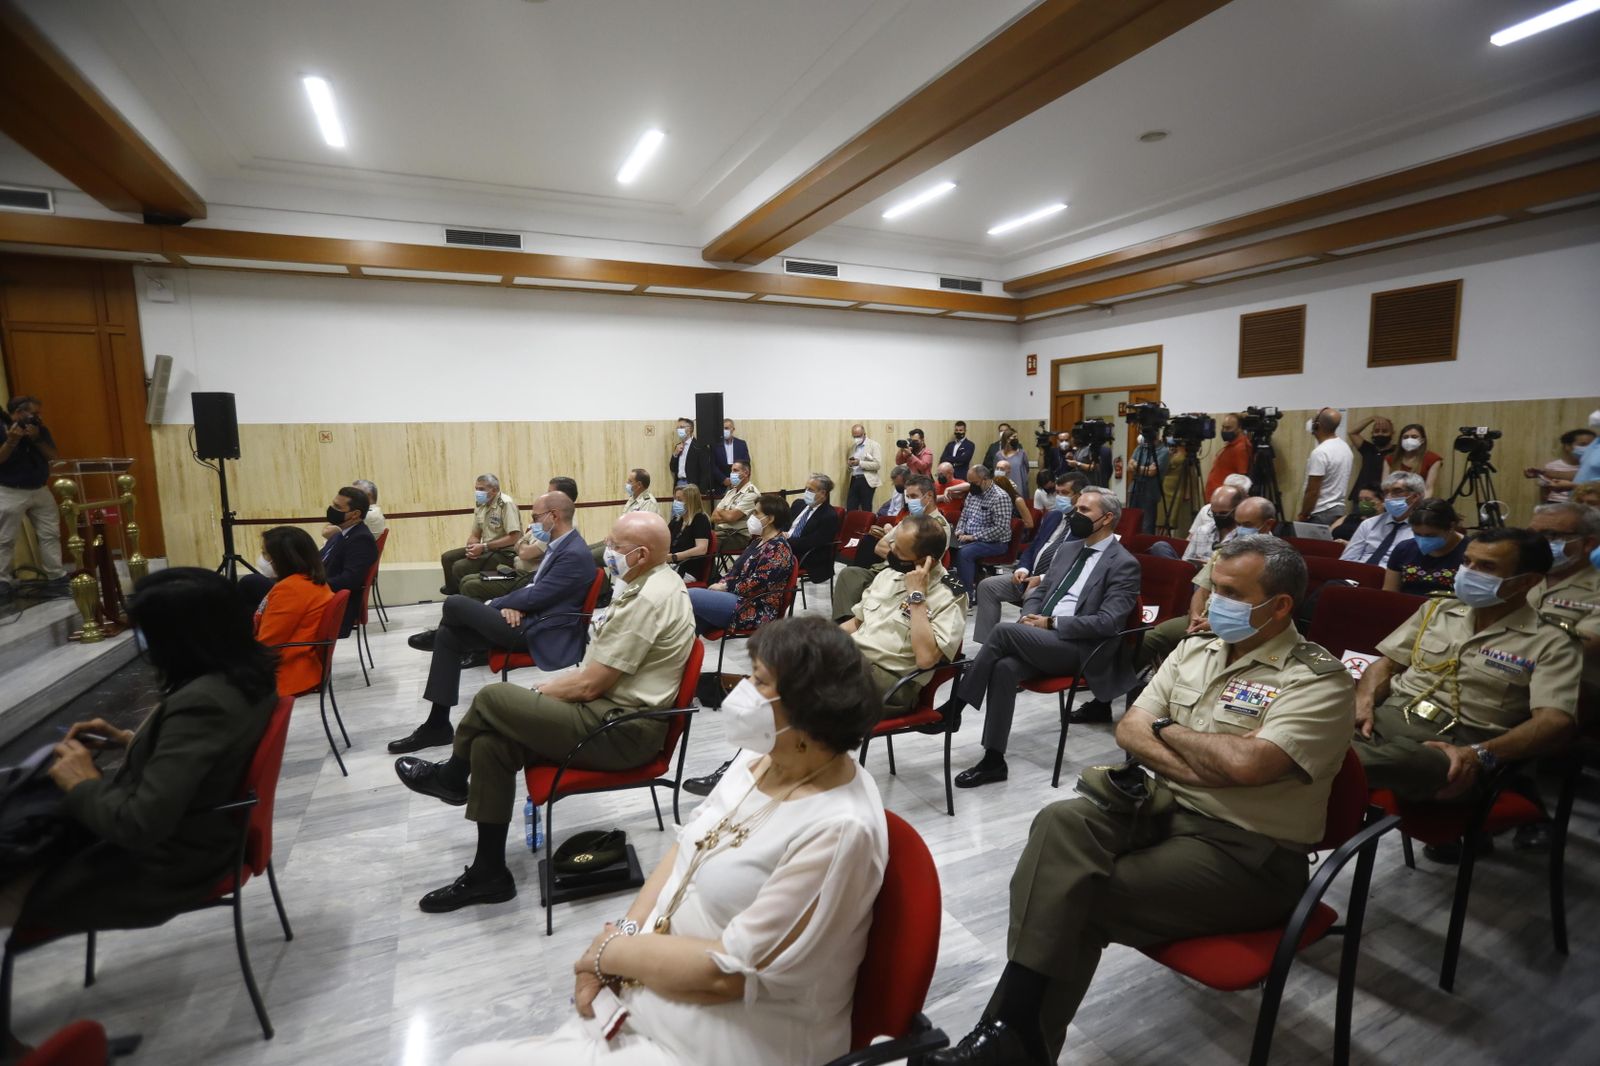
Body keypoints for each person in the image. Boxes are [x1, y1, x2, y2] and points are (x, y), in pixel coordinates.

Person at [929, 537, 1353, 1066]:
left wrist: (1166, 729)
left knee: (1077, 897)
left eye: (1229, 593)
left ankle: (1006, 1042)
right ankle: (1010, 1037)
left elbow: (1248, 766)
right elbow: (1130, 728)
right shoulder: (1196, 649)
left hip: (1249, 852)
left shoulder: (1317, 680)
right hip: (1165, 810)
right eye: (1212, 587)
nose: (1210, 602)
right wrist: (1196, 754)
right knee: (1061, 821)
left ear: (1280, 605)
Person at [446, 616, 885, 1066]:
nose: (741, 691)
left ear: (809, 710)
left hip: (730, 1037)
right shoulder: (764, 757)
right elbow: (687, 847)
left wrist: (611, 954)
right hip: (650, 994)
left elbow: (729, 976)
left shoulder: (838, 829)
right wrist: (625, 933)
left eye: (758, 681)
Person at [394, 512, 695, 913]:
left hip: (621, 730)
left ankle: (451, 776)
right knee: (491, 743)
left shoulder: (649, 599)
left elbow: (589, 686)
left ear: (641, 554)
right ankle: (489, 874)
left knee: (492, 699)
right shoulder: (646, 581)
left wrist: (542, 691)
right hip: (604, 711)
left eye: (615, 546)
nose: (606, 551)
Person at [2, 569, 277, 937]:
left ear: (178, 639)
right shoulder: (246, 676)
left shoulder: (203, 703)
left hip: (161, 868)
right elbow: (210, 760)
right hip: (200, 841)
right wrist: (134, 741)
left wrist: (82, 781)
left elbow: (138, 826)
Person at [1354, 530, 1581, 863]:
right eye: (1467, 562)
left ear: (1527, 581)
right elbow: (1385, 664)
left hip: (1455, 749)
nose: (1468, 573)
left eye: (1486, 567)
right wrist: (1363, 701)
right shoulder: (1438, 610)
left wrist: (1481, 754)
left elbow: (1555, 722)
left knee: (1398, 759)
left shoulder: (1552, 642)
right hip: (1385, 719)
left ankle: (1317, 762)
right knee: (1309, 720)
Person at [941, 489, 1142, 787]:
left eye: (1084, 510)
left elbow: (1108, 622)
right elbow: (1041, 591)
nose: (1074, 515)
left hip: (1082, 649)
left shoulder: (1123, 563)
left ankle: (955, 707)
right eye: (1075, 508)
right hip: (1046, 640)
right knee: (1004, 667)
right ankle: (993, 760)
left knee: (1002, 631)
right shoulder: (1069, 549)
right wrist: (1029, 617)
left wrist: (1051, 623)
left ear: (1107, 518)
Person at [388, 492, 596, 754]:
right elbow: (535, 589)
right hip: (530, 618)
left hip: (540, 631)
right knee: (449, 637)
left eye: (535, 517)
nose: (532, 523)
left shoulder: (573, 553)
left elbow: (537, 595)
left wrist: (494, 604)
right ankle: (437, 725)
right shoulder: (561, 545)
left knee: (454, 604)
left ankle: (437, 634)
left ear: (553, 516)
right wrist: (512, 605)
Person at [842, 512, 966, 712]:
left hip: (890, 681)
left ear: (925, 561)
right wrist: (821, 637)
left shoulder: (951, 594)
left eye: (899, 551)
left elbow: (925, 659)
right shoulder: (890, 574)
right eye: (893, 544)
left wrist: (917, 596)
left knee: (809, 694)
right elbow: (856, 623)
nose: (890, 551)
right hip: (853, 661)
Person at [1138, 497, 1279, 670]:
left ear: (1268, 524)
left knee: (1197, 655)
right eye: (1238, 524)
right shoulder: (1226, 551)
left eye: (1247, 524)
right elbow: (1202, 590)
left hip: (1240, 624)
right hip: (1204, 617)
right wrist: (1195, 617)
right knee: (1148, 639)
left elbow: (1264, 611)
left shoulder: (1277, 560)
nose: (1240, 530)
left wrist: (1215, 623)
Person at [972, 474, 1087, 643]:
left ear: (1080, 495)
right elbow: (1033, 547)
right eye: (1057, 492)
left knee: (1032, 594)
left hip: (1053, 583)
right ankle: (989, 644)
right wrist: (1023, 568)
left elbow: (1077, 565)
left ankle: (1021, 644)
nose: (1059, 497)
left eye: (1065, 493)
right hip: (1028, 575)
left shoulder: (1085, 525)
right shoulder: (1053, 516)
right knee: (987, 586)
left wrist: (1041, 578)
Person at [832, 474, 950, 620]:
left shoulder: (938, 526)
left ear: (929, 496)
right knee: (849, 574)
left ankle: (861, 623)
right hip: (886, 569)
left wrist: (895, 549)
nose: (910, 501)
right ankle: (846, 623)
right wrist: (901, 554)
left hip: (910, 577)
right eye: (908, 497)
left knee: (880, 588)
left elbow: (925, 561)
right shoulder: (909, 520)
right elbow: (880, 546)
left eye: (914, 496)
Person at [455, 477, 580, 602]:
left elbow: (523, 550)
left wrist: (522, 543)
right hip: (518, 570)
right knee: (466, 579)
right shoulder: (547, 520)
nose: (545, 496)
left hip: (530, 576)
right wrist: (523, 543)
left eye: (549, 493)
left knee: (469, 585)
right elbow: (520, 543)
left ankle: (485, 611)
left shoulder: (561, 527)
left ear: (562, 498)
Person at [688, 494, 795, 635]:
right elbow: (735, 569)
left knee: (690, 595)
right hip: (739, 597)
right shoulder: (758, 541)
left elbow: (758, 583)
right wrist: (722, 583)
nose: (752, 516)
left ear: (770, 519)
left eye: (756, 513)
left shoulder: (779, 548)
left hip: (755, 608)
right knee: (691, 619)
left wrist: (726, 587)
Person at [1526, 502, 1600, 700]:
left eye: (1551, 535)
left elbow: (1578, 647)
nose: (1536, 543)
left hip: (1568, 693)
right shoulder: (1518, 578)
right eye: (1532, 535)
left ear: (1588, 543)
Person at [252, 526, 335, 698]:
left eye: (266, 554)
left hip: (284, 672)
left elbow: (268, 642)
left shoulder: (290, 589)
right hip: (300, 666)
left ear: (282, 558)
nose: (263, 559)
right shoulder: (310, 581)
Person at [0, 395, 68, 600]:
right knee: (4, 539)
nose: (40, 416)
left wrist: (37, 439)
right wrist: (11, 441)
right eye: (35, 413)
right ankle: (2, 581)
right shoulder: (2, 429)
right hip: (10, 490)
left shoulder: (39, 429)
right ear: (19, 413)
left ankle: (56, 576)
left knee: (50, 534)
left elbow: (53, 457)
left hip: (40, 489)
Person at [440, 474, 521, 596]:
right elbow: (475, 535)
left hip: (505, 553)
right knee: (447, 557)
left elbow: (514, 537)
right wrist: (471, 547)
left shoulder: (506, 504)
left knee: (459, 567)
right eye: (476, 489)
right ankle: (454, 591)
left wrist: (483, 547)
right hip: (487, 549)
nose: (478, 492)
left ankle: (466, 599)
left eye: (481, 489)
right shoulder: (481, 504)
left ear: (494, 490)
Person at [948, 465, 1014, 604]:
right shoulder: (973, 493)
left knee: (964, 554)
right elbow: (964, 516)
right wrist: (959, 530)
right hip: (969, 537)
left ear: (985, 480)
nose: (971, 486)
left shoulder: (1000, 497)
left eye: (974, 482)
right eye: (969, 482)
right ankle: (955, 591)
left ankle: (966, 596)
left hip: (994, 542)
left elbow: (1001, 528)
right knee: (949, 549)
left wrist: (974, 536)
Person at [1383, 498, 1467, 596]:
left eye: (1431, 535)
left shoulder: (1470, 553)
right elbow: (1389, 593)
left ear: (1451, 527)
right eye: (1417, 534)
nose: (1423, 540)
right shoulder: (1404, 549)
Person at [1338, 471, 1422, 566]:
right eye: (1386, 492)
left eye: (1397, 491)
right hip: (1358, 571)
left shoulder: (1422, 531)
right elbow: (1347, 559)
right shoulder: (1369, 524)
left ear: (1414, 497)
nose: (1389, 497)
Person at [590, 468, 659, 565]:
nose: (627, 484)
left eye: (630, 481)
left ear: (639, 484)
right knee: (586, 550)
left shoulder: (648, 503)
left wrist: (616, 540)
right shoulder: (633, 498)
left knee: (590, 557)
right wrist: (612, 535)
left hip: (630, 548)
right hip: (619, 541)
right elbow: (623, 523)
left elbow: (641, 533)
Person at [1296, 408, 1351, 526]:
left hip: (1320, 513)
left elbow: (1313, 491)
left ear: (1317, 425)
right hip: (1337, 510)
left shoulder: (1320, 452)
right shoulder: (1344, 447)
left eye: (1314, 419)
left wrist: (1303, 514)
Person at [785, 474, 840, 584]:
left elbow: (812, 542)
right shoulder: (798, 504)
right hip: (785, 546)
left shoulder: (829, 515)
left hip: (806, 555)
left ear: (823, 493)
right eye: (806, 488)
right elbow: (784, 524)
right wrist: (780, 534)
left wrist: (786, 540)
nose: (806, 492)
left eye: (810, 490)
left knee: (772, 561)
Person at [1177, 482, 1248, 565]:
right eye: (1213, 513)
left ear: (1239, 509)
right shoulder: (1202, 531)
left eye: (1223, 513)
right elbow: (1185, 564)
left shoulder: (1246, 537)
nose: (1217, 517)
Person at [1525, 428, 1597, 504]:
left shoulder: (1593, 466)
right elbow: (1544, 492)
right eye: (1583, 444)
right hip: (1556, 504)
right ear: (1567, 446)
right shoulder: (1552, 466)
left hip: (1583, 504)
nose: (1589, 449)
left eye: (1593, 446)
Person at [709, 460, 760, 554]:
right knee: (698, 539)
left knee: (706, 544)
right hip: (722, 532)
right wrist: (729, 515)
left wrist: (722, 512)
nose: (732, 474)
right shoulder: (731, 492)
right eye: (731, 471)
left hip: (739, 536)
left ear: (746, 473)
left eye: (735, 470)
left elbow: (731, 517)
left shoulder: (751, 493)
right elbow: (713, 517)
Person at [667, 484, 713, 583]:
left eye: (679, 500)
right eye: (675, 499)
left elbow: (702, 549)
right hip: (671, 565)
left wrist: (674, 557)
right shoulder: (677, 520)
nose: (676, 503)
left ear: (691, 502)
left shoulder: (701, 519)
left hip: (688, 569)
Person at [1126, 432, 1169, 535]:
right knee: (1131, 521)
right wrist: (1144, 468)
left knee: (1146, 525)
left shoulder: (1163, 451)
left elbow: (1151, 472)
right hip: (1134, 489)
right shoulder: (1140, 447)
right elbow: (1129, 467)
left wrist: (1136, 465)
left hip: (1150, 492)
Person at [321, 477, 386, 543]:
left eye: (356, 492)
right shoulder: (374, 511)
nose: (351, 495)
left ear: (368, 495)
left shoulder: (370, 514)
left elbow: (327, 530)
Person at [1385, 423, 1443, 496]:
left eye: (1414, 437)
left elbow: (1428, 488)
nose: (1409, 440)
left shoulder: (1432, 459)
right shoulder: (1390, 458)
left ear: (1422, 440)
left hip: (1419, 499)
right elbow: (1385, 487)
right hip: (1394, 498)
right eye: (1405, 437)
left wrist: (1422, 503)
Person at [1346, 414, 1395, 500]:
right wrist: (1372, 418)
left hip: (1384, 497)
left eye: (1384, 431)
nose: (1380, 434)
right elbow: (1352, 432)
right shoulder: (1367, 448)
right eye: (1377, 431)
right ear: (1372, 433)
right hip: (1361, 496)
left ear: (1392, 433)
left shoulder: (1397, 451)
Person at [1205, 413, 1251, 496]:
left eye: (1228, 428)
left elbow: (1242, 479)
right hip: (1216, 495)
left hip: (1224, 497)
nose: (1224, 430)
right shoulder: (1232, 444)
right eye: (1223, 427)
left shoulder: (1240, 448)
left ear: (1239, 428)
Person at [670, 416, 718, 494]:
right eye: (678, 428)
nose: (679, 430)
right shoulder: (678, 446)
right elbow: (673, 468)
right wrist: (675, 454)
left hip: (692, 486)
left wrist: (701, 490)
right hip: (679, 484)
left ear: (690, 429)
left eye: (681, 427)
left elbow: (705, 471)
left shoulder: (700, 447)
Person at [844, 423, 883, 512]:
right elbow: (850, 467)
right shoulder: (853, 447)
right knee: (851, 507)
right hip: (854, 479)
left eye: (858, 436)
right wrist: (850, 464)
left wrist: (860, 463)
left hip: (867, 480)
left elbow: (877, 465)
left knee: (866, 507)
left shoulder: (874, 445)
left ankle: (867, 521)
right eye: (854, 436)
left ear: (864, 434)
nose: (856, 439)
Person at [712, 418, 753, 489]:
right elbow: (712, 465)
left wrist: (738, 478)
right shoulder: (715, 445)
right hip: (720, 483)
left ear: (733, 429)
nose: (724, 431)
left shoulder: (741, 444)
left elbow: (746, 463)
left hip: (739, 481)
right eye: (722, 429)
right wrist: (723, 479)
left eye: (726, 428)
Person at [998, 432, 1029, 497]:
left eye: (1016, 437)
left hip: (1019, 486)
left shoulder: (1022, 453)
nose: (1016, 439)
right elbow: (997, 473)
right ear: (1007, 439)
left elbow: (1026, 469)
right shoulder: (998, 455)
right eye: (1014, 437)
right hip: (1004, 487)